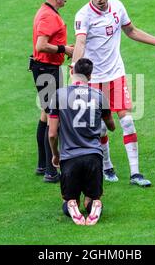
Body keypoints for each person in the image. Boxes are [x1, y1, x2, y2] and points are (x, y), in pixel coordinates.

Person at [72, 0, 155, 186]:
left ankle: (135, 174)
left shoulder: (117, 7)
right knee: (102, 128)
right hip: (94, 79)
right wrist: (76, 74)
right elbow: (79, 42)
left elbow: (131, 31)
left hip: (116, 75)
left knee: (127, 121)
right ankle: (107, 167)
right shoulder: (83, 15)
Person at [48, 58, 116, 225]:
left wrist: (55, 155)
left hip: (69, 158)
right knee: (91, 199)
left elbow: (52, 134)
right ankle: (95, 203)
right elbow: (112, 127)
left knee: (68, 200)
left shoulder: (59, 95)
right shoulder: (100, 96)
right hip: (93, 156)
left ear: (72, 72)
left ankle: (71, 204)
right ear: (90, 76)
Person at [30, 0, 74, 183]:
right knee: (52, 116)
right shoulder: (49, 16)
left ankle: (42, 165)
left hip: (43, 68)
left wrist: (63, 48)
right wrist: (64, 49)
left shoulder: (45, 11)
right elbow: (41, 45)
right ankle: (50, 170)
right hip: (47, 70)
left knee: (45, 114)